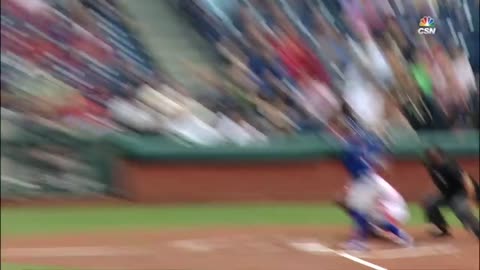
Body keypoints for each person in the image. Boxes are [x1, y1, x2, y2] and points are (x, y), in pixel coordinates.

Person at [334, 118, 413, 251]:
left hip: (365, 182)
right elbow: (378, 153)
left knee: (359, 210)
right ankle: (401, 235)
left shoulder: (352, 147)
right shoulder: (365, 145)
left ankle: (360, 242)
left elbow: (375, 156)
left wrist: (378, 148)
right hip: (366, 182)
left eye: (345, 132)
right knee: (369, 215)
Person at [422, 147, 479, 239]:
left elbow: (467, 181)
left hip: (461, 193)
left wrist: (471, 198)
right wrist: (433, 193)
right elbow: (438, 181)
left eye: (434, 156)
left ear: (441, 155)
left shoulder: (450, 166)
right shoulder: (432, 167)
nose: (432, 157)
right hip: (448, 194)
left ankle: (478, 231)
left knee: (461, 210)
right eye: (430, 156)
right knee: (429, 202)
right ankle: (442, 229)